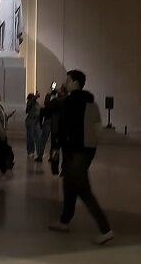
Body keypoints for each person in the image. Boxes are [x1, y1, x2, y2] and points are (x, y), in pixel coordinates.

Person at [48, 70, 114, 245]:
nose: (66, 83)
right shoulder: (91, 102)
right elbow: (97, 128)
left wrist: (56, 147)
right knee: (69, 186)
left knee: (83, 190)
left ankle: (105, 229)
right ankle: (64, 221)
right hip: (84, 151)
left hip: (74, 151)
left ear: (76, 82)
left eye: (68, 80)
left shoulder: (70, 101)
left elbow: (64, 126)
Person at [44, 84, 67, 175]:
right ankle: (64, 169)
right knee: (65, 151)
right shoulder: (69, 100)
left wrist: (50, 94)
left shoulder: (56, 100)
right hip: (65, 129)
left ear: (61, 90)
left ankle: (55, 169)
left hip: (56, 128)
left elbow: (47, 106)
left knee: (55, 150)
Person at [24, 93, 41, 163]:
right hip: (31, 120)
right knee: (30, 136)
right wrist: (35, 97)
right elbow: (27, 109)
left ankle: (39, 152)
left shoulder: (36, 103)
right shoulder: (29, 103)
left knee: (38, 136)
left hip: (36, 120)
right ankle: (30, 151)